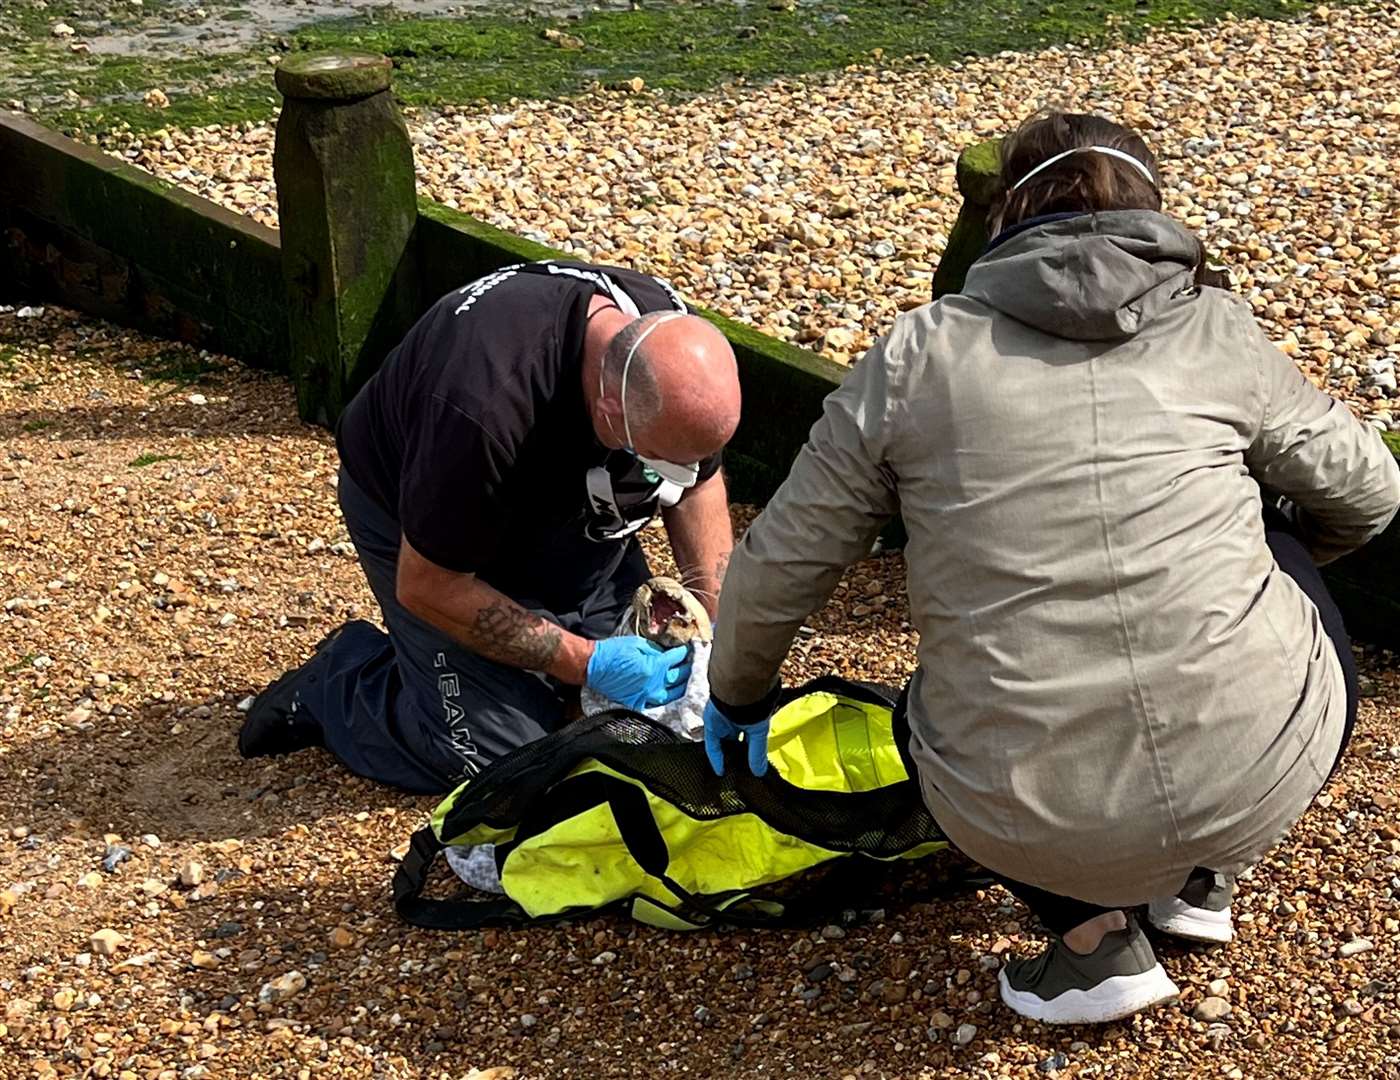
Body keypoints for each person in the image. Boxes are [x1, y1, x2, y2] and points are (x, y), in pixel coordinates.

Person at [702, 112, 1400, 1025]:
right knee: (1275, 539)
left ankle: (1093, 941)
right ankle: (1203, 879)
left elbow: (788, 555)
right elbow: (1372, 493)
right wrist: (1268, 552)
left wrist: (738, 691)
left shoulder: (918, 353)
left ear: (1005, 218)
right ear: (1152, 215)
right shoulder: (1217, 332)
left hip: (1026, 808)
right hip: (1264, 768)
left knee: (942, 705)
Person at [239, 261, 741, 794]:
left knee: (654, 722)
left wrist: (721, 633)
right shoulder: (480, 408)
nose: (676, 481)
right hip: (432, 535)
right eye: (661, 463)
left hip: (571, 513)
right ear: (610, 410)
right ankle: (344, 682)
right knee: (509, 766)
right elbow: (430, 584)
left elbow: (700, 483)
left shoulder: (671, 350)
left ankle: (540, 639)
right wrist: (586, 661)